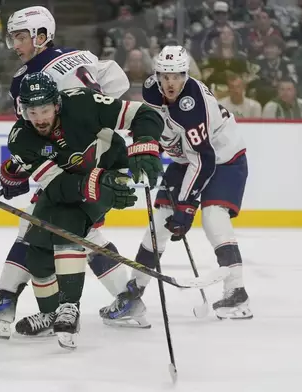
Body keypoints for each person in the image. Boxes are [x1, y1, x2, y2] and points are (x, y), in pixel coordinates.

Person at [0, 6, 163, 338]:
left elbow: (35, 133)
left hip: (76, 163)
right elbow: (117, 81)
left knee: (42, 223)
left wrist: (22, 166)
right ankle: (127, 299)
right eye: (12, 38)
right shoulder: (80, 54)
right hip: (102, 150)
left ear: (41, 36)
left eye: (21, 37)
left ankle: (7, 301)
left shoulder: (26, 80)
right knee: (76, 230)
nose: (16, 45)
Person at [2, 72, 164, 348]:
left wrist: (145, 146)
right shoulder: (21, 137)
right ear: (22, 110)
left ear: (57, 104)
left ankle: (69, 307)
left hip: (110, 172)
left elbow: (144, 113)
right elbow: (55, 184)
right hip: (73, 184)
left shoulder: (82, 103)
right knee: (38, 241)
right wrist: (90, 182)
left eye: (44, 109)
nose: (39, 118)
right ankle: (50, 312)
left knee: (67, 223)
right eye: (32, 111)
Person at [100, 45, 252, 325]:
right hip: (186, 158)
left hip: (224, 158)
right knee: (159, 220)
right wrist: (147, 146)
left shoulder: (193, 107)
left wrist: (186, 207)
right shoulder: (151, 90)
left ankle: (237, 291)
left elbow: (203, 161)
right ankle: (134, 293)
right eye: (164, 76)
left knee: (213, 216)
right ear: (157, 75)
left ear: (186, 75)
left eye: (177, 76)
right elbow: (154, 124)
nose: (170, 83)